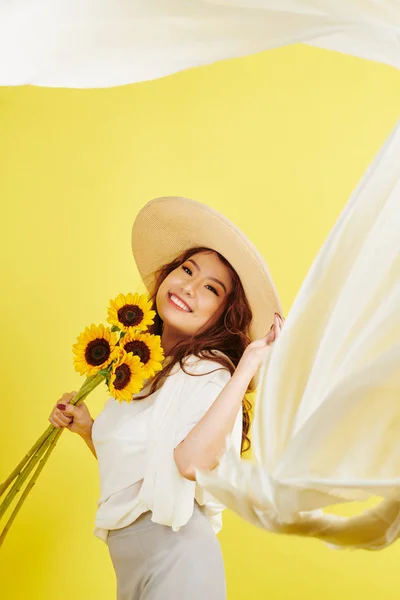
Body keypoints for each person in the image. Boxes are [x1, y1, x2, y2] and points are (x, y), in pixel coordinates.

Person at [48, 196, 284, 600]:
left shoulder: (209, 371)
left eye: (210, 288)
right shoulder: (142, 370)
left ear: (224, 313)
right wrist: (88, 429)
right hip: (135, 564)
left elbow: (190, 464)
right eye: (187, 269)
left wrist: (245, 367)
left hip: (178, 559)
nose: (189, 286)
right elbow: (140, 474)